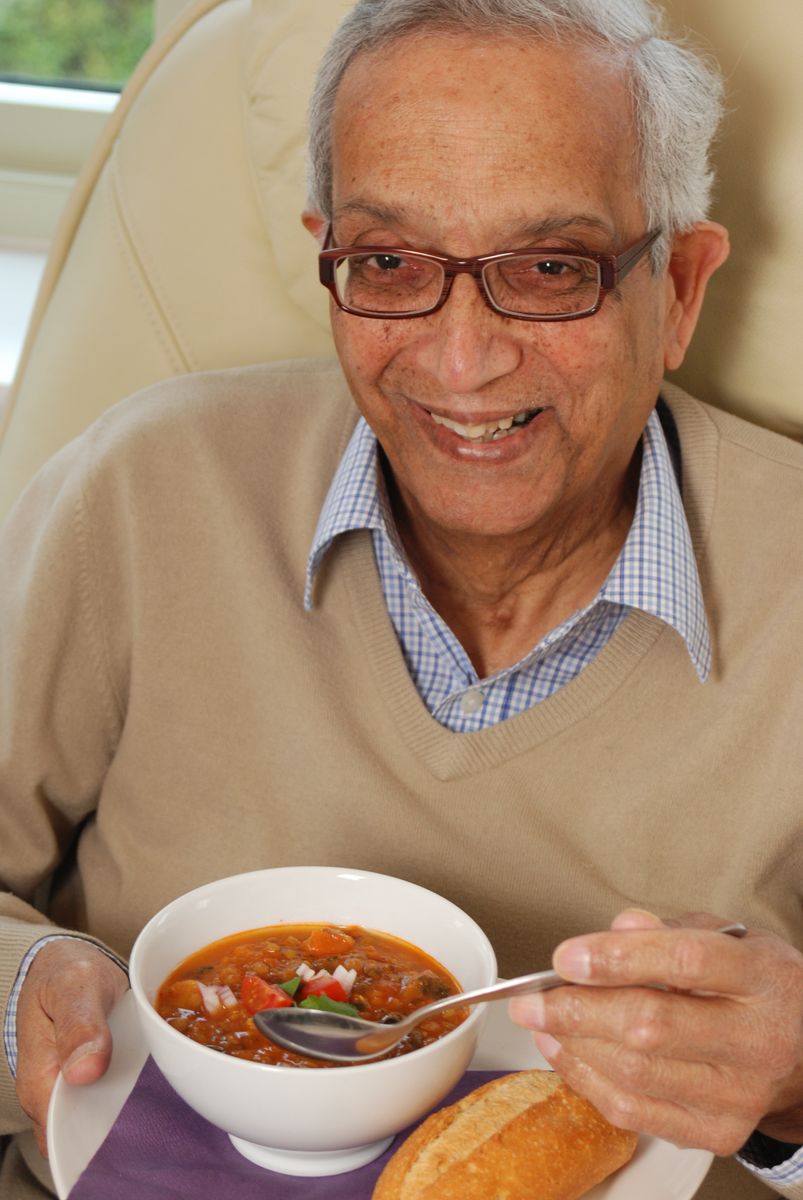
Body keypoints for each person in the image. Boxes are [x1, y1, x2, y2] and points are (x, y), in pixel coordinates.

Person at [1, 0, 802, 1196]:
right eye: (388, 265)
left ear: (678, 287)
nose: (460, 360)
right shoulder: (139, 488)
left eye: (547, 269)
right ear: (330, 261)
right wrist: (21, 990)